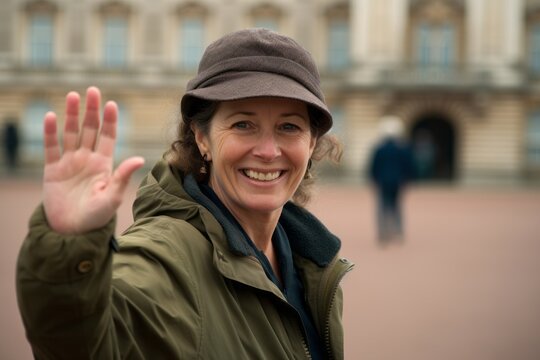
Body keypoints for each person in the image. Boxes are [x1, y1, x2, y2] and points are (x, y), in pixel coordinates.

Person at [16, 28, 353, 359]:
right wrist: (69, 249)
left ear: (310, 143)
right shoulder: (165, 257)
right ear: (201, 138)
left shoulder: (309, 260)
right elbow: (87, 344)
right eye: (242, 125)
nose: (268, 150)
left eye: (289, 127)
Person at [368, 116, 415, 244]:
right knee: (397, 207)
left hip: (383, 181)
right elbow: (409, 166)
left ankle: (383, 233)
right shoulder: (403, 148)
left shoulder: (379, 148)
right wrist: (408, 179)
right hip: (398, 181)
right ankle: (398, 232)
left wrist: (373, 179)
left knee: (382, 207)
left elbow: (373, 166)